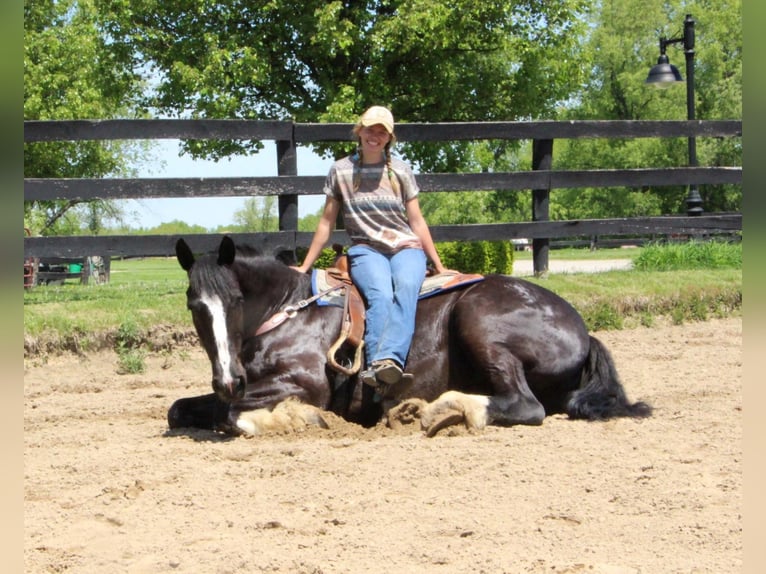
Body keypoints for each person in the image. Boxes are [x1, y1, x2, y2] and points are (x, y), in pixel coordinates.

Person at [293, 105, 451, 392]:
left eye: (382, 132)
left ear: (389, 138)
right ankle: (379, 366)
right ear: (359, 131)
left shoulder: (400, 171)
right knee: (379, 294)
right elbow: (327, 222)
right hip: (366, 249)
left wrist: (438, 266)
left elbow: (416, 220)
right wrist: (304, 266)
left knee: (406, 288)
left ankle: (388, 360)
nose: (374, 136)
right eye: (370, 129)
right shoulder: (340, 171)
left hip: (405, 247)